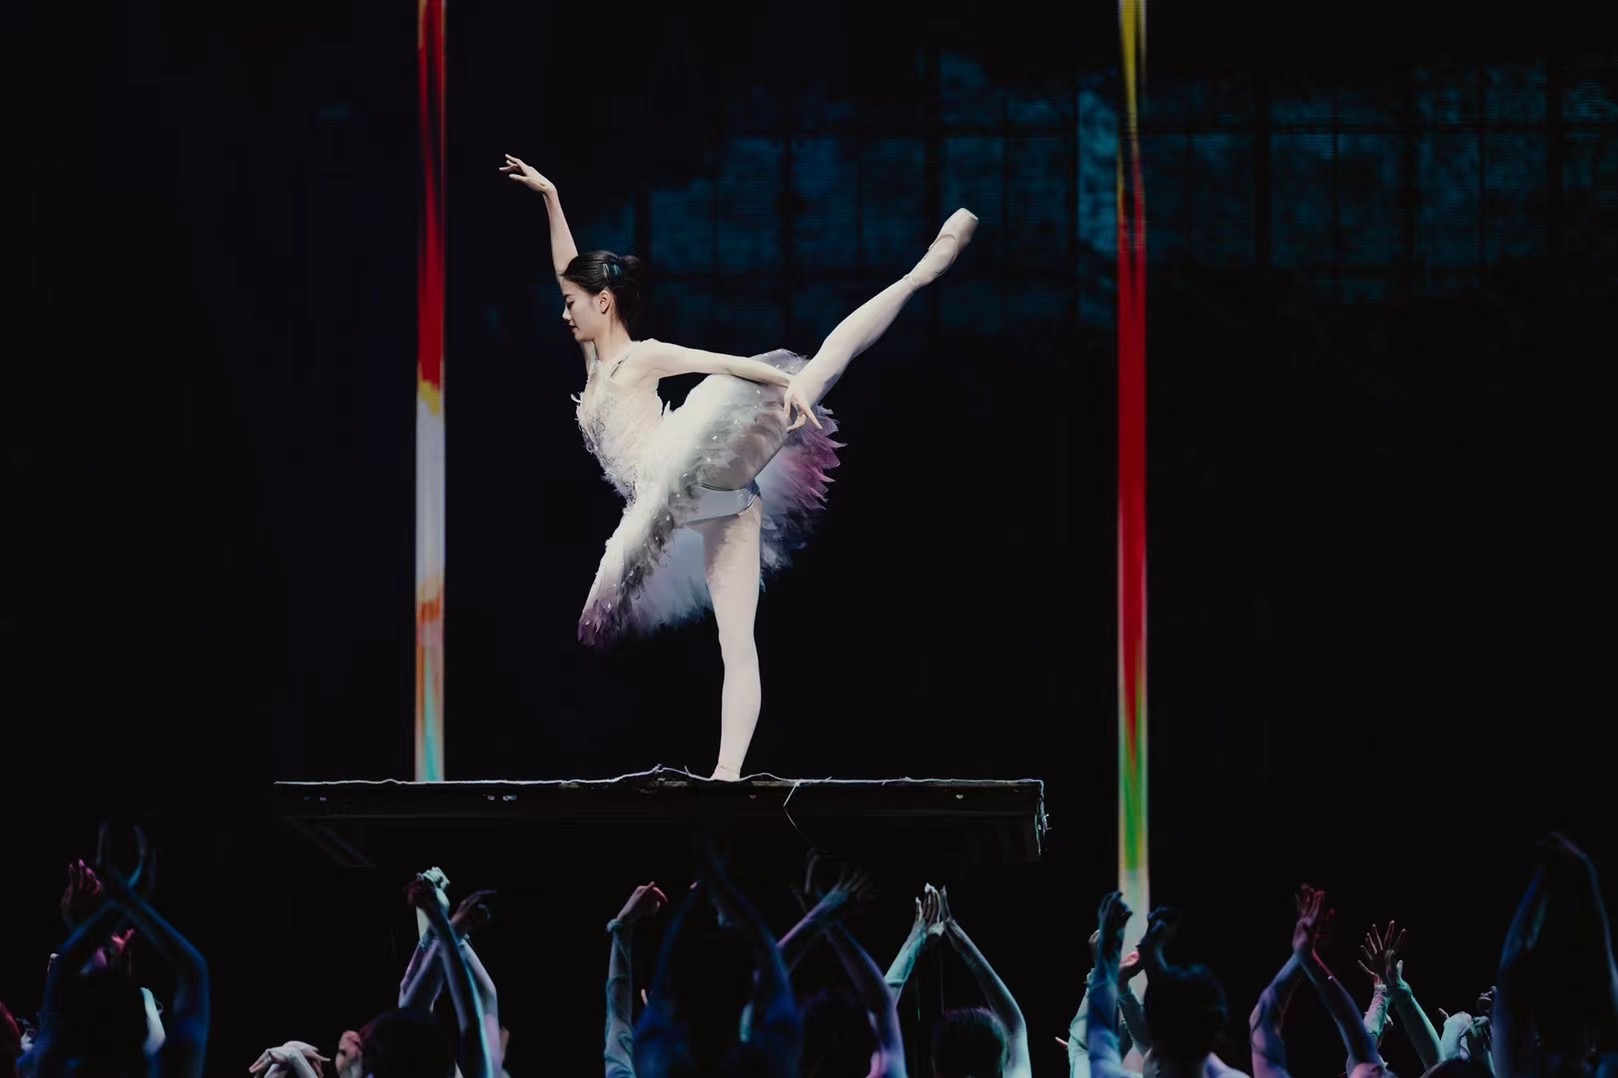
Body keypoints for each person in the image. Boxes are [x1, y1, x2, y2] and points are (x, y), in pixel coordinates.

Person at [501, 153, 977, 780]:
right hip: (685, 507)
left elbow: (722, 362)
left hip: (701, 463)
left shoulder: (643, 357)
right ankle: (725, 779)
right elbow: (567, 267)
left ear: (605, 302)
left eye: (572, 303)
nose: (564, 313)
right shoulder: (594, 367)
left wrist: (786, 384)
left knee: (821, 369)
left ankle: (921, 272)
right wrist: (551, 196)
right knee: (735, 644)